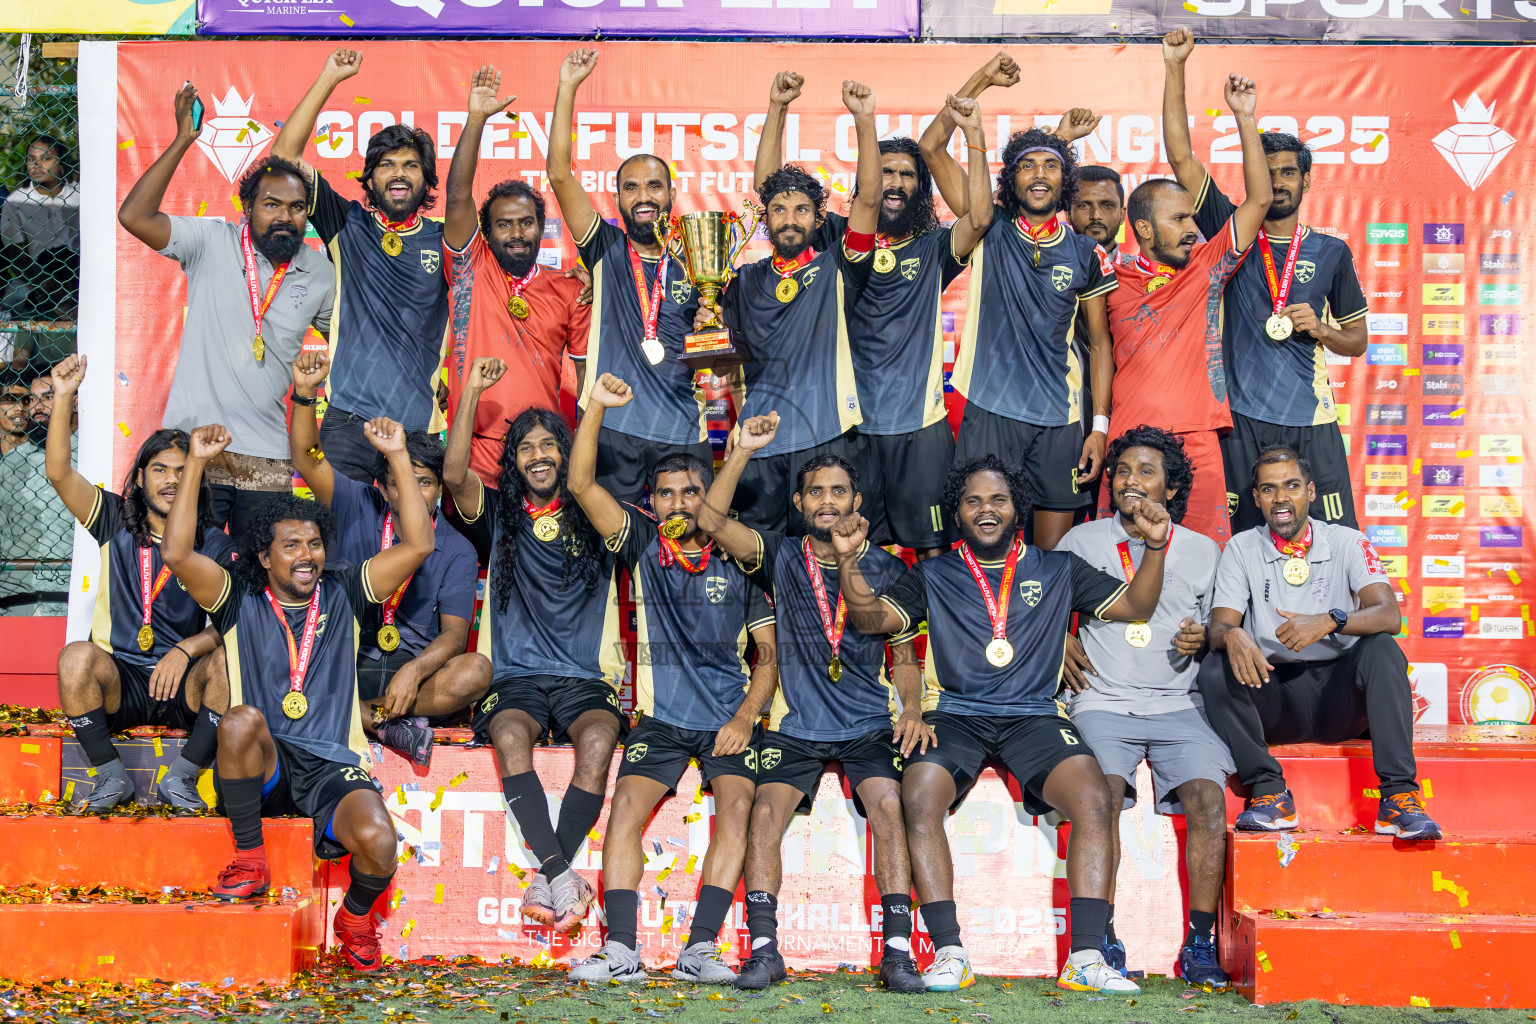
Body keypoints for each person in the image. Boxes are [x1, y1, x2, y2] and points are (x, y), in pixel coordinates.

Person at [836, 454, 1170, 995]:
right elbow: (871, 620)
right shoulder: (935, 573)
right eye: (973, 501)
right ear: (958, 511)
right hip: (959, 715)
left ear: (1017, 509)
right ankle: (949, 953)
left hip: (1033, 714)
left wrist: (1154, 548)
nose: (985, 510)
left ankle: (1086, 957)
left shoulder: (1058, 568)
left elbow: (1135, 606)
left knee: (1093, 798)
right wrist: (850, 562)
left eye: (998, 500)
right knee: (919, 794)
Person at [161, 417, 435, 971]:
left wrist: (400, 456)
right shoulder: (237, 599)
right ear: (265, 557)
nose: (306, 554)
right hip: (267, 760)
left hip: (332, 763)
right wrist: (193, 463)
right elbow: (176, 554)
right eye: (291, 545)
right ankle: (249, 858)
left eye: (313, 543)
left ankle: (355, 918)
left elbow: (420, 542)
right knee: (238, 720)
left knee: (380, 842)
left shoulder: (346, 590)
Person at [694, 412, 928, 992]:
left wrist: (915, 709)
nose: (827, 501)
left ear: (856, 500)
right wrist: (742, 450)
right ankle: (766, 950)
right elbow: (709, 519)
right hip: (799, 726)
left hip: (868, 722)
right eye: (816, 491)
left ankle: (898, 952)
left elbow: (902, 657)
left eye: (838, 491)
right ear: (799, 502)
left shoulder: (892, 568)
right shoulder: (781, 555)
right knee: (764, 815)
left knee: (889, 808)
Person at [566, 373, 777, 985]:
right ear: (651, 501)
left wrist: (743, 719)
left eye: (691, 492)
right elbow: (580, 483)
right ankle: (622, 949)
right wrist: (598, 406)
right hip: (659, 720)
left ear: (710, 496)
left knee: (737, 808)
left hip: (728, 721)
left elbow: (769, 655)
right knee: (625, 810)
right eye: (666, 494)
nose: (678, 504)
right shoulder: (639, 544)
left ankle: (700, 948)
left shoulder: (741, 558)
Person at [750, 80, 988, 557]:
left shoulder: (935, 246)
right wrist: (776, 107)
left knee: (936, 552)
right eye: (885, 172)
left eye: (907, 174)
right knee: (853, 551)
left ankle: (937, 633)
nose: (895, 183)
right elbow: (771, 190)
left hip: (919, 427)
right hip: (848, 427)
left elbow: (980, 219)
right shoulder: (838, 236)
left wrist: (975, 134)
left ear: (922, 187)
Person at [442, 357, 626, 936]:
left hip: (584, 678)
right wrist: (469, 391)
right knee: (509, 736)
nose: (539, 455)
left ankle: (550, 877)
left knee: (599, 740)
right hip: (515, 677)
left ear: (566, 455)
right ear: (513, 460)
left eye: (550, 445)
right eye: (527, 448)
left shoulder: (594, 513)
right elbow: (452, 476)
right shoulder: (498, 512)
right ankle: (561, 874)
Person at [1162, 29, 1367, 532]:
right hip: (1241, 420)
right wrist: (1175, 66)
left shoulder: (1331, 251)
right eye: (1268, 171)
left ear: (1306, 180)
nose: (1278, 182)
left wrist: (1321, 330)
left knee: (1335, 543)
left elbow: (1357, 341)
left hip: (1310, 419)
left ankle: (1334, 617)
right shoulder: (1231, 228)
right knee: (1246, 542)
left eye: (1288, 172)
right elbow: (1181, 158)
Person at [118, 83, 334, 539]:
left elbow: (351, 344)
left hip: (269, 455)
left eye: (297, 208)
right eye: (271, 204)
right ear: (247, 207)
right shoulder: (211, 241)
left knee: (259, 579)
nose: (284, 217)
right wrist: (182, 141)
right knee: (188, 568)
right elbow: (134, 217)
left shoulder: (319, 272)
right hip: (195, 448)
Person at [1057, 427, 1230, 985]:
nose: (1130, 480)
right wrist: (1058, 640)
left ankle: (1200, 943)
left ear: (1172, 487)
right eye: (1122, 470)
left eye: (1146, 471)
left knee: (1208, 803)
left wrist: (1202, 636)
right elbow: (1037, 606)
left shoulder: (1205, 550)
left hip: (1178, 702)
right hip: (1101, 700)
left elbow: (1223, 626)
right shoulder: (1082, 542)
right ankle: (1101, 933)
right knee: (1100, 797)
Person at [1197, 445, 1440, 841]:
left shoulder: (1346, 540)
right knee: (1215, 663)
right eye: (1270, 489)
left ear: (1310, 492)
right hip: (1273, 695)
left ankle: (1398, 798)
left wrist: (1331, 621)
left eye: (1291, 486)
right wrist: (1233, 634)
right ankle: (1269, 794)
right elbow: (1220, 627)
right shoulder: (1241, 547)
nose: (1281, 499)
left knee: (1381, 647)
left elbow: (1389, 614)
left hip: (1339, 698)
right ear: (1256, 498)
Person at [921, 105, 1118, 551]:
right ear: (1010, 180)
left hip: (1060, 421)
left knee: (1052, 555)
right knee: (980, 544)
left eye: (1051, 166)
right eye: (1026, 167)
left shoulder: (1086, 252)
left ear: (1065, 180)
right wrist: (975, 130)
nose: (1038, 174)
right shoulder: (989, 226)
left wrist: (1099, 427)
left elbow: (1101, 345)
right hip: (991, 412)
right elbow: (931, 149)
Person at [44, 355, 235, 811]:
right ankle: (111, 777)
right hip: (122, 679)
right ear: (141, 478)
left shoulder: (212, 542)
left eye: (183, 471)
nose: (171, 480)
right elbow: (58, 473)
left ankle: (184, 778)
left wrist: (187, 649)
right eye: (160, 470)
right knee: (75, 658)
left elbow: (236, 620)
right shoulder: (112, 518)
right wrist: (64, 395)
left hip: (184, 681)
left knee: (230, 659)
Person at [703, 77, 889, 535]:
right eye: (779, 210)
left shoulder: (839, 267)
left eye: (802, 210)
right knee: (756, 559)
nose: (789, 219)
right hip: (759, 439)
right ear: (765, 218)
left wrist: (864, 120)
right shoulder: (743, 279)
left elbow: (869, 198)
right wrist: (707, 328)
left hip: (824, 437)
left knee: (828, 557)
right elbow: (722, 366)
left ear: (819, 219)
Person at [289, 351, 489, 766]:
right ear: (382, 486)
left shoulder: (459, 548)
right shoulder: (355, 501)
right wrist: (306, 395)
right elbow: (308, 461)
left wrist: (414, 671)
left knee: (475, 671)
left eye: (425, 483)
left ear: (439, 489)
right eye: (401, 481)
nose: (414, 492)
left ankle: (359, 714)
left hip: (409, 670)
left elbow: (453, 637)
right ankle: (378, 720)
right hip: (346, 654)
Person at [1104, 72, 1272, 547]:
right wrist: (1174, 64)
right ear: (1143, 227)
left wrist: (1245, 117)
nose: (1192, 228)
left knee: (1207, 557)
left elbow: (1258, 199)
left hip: (1197, 439)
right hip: (1128, 440)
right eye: (1178, 218)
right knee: (1121, 556)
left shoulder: (1206, 267)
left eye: (1193, 218)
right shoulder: (1106, 276)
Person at [271, 48, 451, 482]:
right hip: (347, 422)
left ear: (426, 179)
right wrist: (330, 76)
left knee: (416, 546)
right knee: (342, 544)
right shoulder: (347, 224)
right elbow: (284, 158)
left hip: (417, 426)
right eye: (387, 165)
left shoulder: (446, 239)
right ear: (369, 179)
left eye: (411, 165)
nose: (399, 173)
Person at [546, 49, 707, 506]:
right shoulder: (604, 250)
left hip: (681, 430)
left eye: (654, 186)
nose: (644, 196)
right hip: (612, 428)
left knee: (683, 550)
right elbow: (559, 174)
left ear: (672, 194)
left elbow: (718, 356)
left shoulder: (700, 261)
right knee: (605, 551)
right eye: (631, 187)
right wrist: (567, 88)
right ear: (616, 197)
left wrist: (712, 327)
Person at [443, 65, 592, 485]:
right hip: (474, 449)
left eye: (526, 222)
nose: (516, 233)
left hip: (542, 453)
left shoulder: (569, 289)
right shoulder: (471, 267)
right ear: (486, 233)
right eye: (504, 224)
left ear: (540, 228)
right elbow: (457, 197)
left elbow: (583, 384)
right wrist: (476, 120)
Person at [0, 367, 72, 616]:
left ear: (73, 401)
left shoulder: (90, 456)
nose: (36, 407)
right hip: (17, 594)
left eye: (48, 397)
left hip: (69, 594)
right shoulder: (13, 462)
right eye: (32, 399)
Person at [2, 134, 79, 319]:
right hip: (36, 277)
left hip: (78, 274)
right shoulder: (15, 202)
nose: (37, 165)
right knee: (16, 297)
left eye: (46, 158)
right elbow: (17, 258)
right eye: (31, 159)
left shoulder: (80, 195)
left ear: (61, 163)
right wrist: (46, 285)